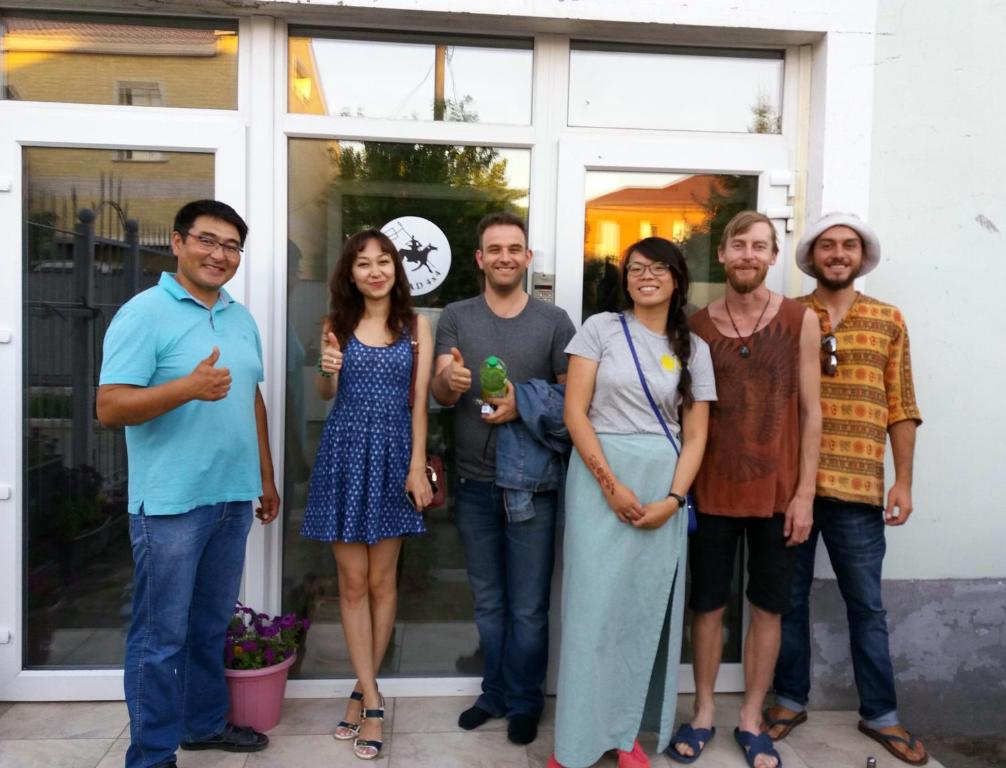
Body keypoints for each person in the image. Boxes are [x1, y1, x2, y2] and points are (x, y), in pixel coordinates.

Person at [96, 199, 280, 768]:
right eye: (207, 240)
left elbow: (251, 397)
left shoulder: (238, 316)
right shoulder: (143, 313)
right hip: (171, 504)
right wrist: (187, 388)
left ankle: (201, 725)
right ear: (177, 243)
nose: (218, 255)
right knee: (160, 637)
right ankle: (151, 755)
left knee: (206, 627)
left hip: (231, 496)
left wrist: (266, 478)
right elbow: (110, 406)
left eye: (231, 246)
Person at [765, 213, 927, 766]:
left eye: (848, 246)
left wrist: (903, 480)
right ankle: (789, 699)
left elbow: (901, 405)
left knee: (868, 606)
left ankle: (881, 712)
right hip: (794, 488)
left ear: (861, 256)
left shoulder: (888, 319)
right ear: (812, 256)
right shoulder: (787, 316)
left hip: (859, 488)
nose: (837, 254)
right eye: (828, 246)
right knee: (788, 602)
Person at [549, 238, 716, 768]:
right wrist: (609, 483)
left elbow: (695, 436)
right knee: (591, 612)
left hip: (662, 487)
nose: (646, 276)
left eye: (658, 268)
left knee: (642, 616)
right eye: (636, 269)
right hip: (600, 483)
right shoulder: (599, 329)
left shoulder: (695, 349)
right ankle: (574, 742)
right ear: (625, 280)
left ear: (676, 278)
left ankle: (627, 736)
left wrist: (674, 498)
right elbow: (576, 413)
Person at [670, 211, 821, 768]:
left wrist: (805, 492)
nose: (749, 256)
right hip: (710, 492)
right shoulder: (696, 325)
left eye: (760, 246)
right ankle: (705, 710)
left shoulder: (801, 319)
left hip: (779, 496)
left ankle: (752, 716)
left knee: (768, 607)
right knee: (707, 605)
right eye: (739, 245)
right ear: (725, 254)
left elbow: (812, 412)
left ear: (773, 256)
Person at [432, 211, 576, 745]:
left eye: (514, 248)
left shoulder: (555, 321)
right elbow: (441, 395)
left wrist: (524, 403)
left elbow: (573, 401)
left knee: (528, 607)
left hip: (533, 487)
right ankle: (493, 691)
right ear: (480, 258)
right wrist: (450, 379)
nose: (505, 257)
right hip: (473, 484)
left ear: (527, 257)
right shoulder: (455, 316)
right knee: (489, 601)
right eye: (495, 249)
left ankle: (525, 700)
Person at [300, 229, 433, 761]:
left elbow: (420, 403)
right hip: (345, 452)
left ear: (396, 269)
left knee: (383, 582)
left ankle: (361, 691)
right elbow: (326, 392)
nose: (374, 270)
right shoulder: (336, 325)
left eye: (384, 261)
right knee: (351, 584)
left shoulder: (416, 326)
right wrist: (325, 371)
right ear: (349, 274)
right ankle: (373, 695)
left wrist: (417, 467)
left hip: (396, 454)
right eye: (363, 263)